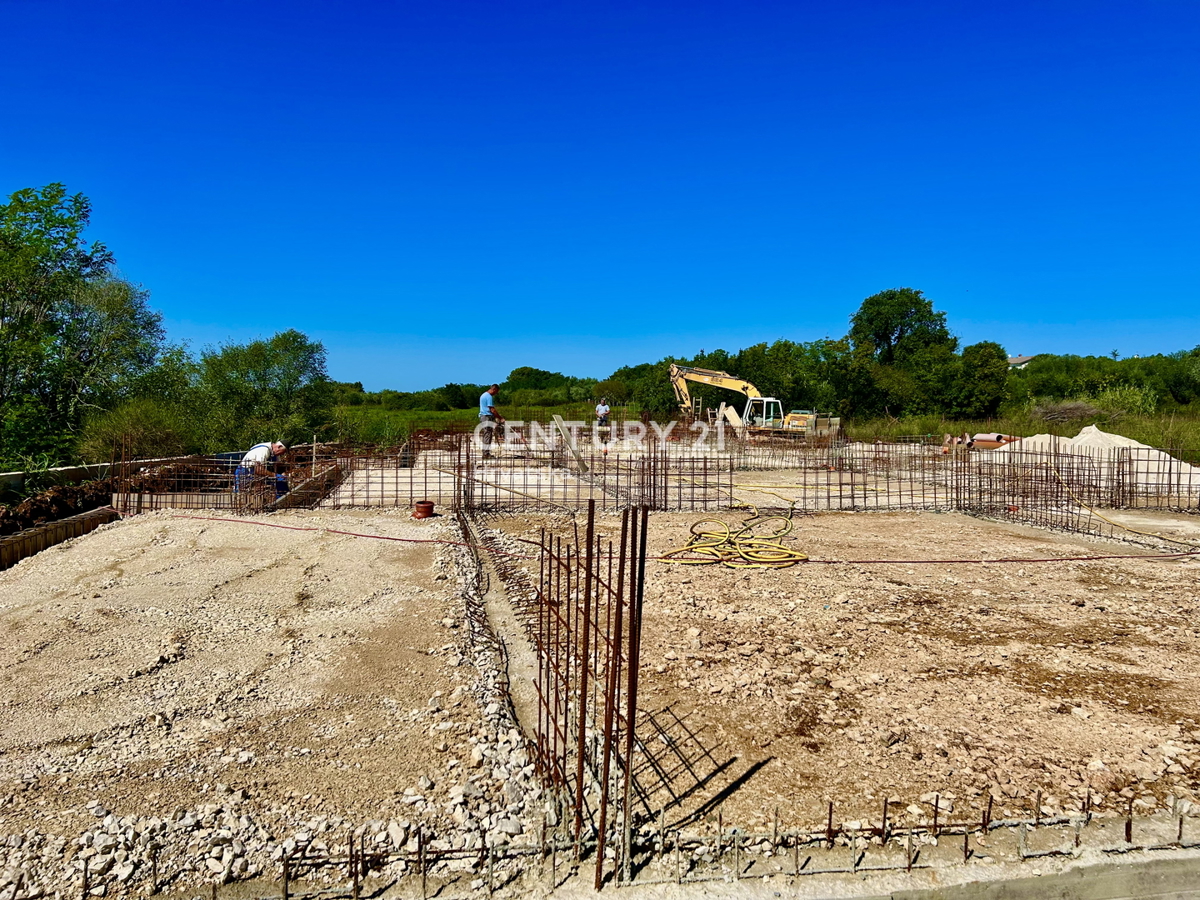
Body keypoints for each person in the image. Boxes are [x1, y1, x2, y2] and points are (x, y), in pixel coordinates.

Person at [478, 384, 505, 459]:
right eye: (496, 392)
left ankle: (486, 453)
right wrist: (500, 418)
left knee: (487, 434)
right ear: (494, 389)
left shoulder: (483, 395)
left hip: (484, 416)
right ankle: (486, 454)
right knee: (488, 434)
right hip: (486, 417)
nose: (496, 393)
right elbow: (492, 409)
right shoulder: (489, 396)